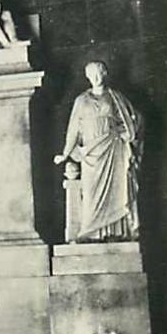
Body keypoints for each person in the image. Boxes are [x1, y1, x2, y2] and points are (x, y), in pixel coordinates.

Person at [54, 61, 143, 241]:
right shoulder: (81, 100)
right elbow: (73, 129)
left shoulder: (115, 97)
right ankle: (92, 232)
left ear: (105, 74)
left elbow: (134, 118)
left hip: (113, 149)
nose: (95, 78)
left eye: (98, 74)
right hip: (91, 154)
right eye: (91, 75)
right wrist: (65, 153)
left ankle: (115, 232)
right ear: (87, 77)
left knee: (116, 192)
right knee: (91, 195)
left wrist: (124, 134)